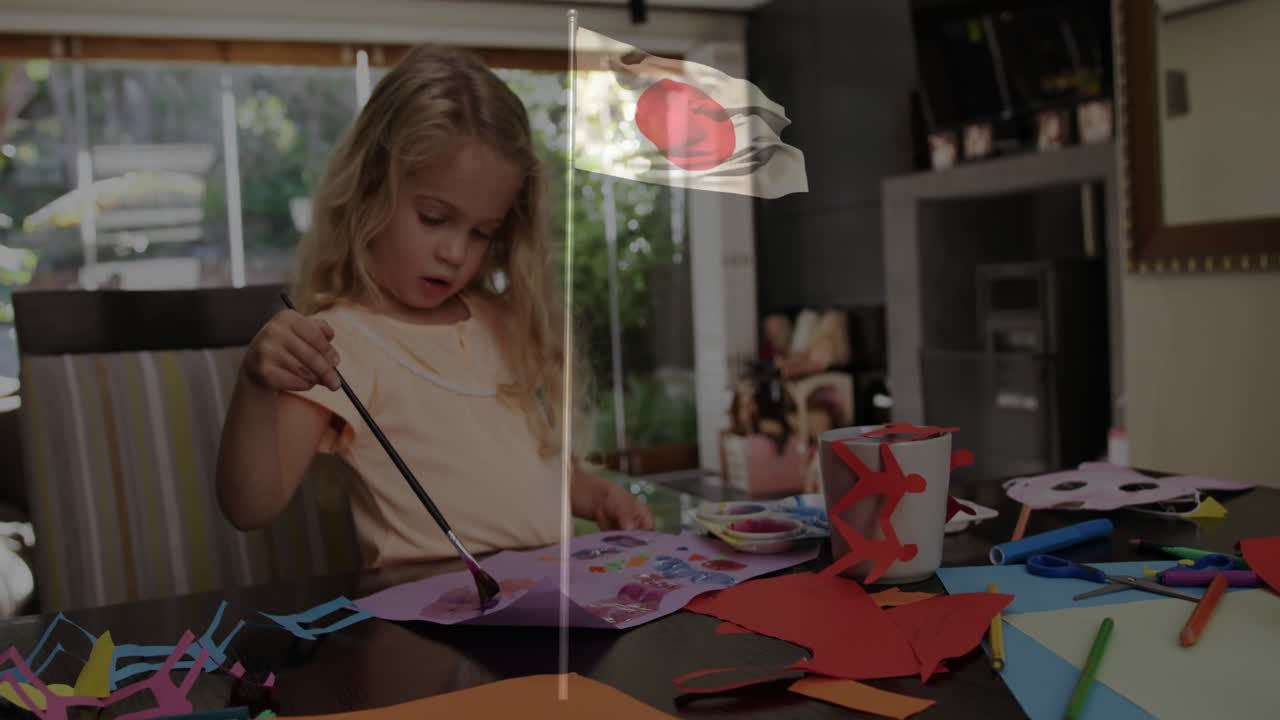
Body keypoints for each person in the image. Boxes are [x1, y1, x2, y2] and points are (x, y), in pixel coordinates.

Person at [215, 45, 654, 569]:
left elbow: (513, 472)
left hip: (548, 613)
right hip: (430, 627)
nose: (454, 252)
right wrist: (254, 385)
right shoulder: (339, 343)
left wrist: (592, 495)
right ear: (370, 188)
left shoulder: (505, 321)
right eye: (432, 217)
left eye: (480, 233)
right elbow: (250, 506)